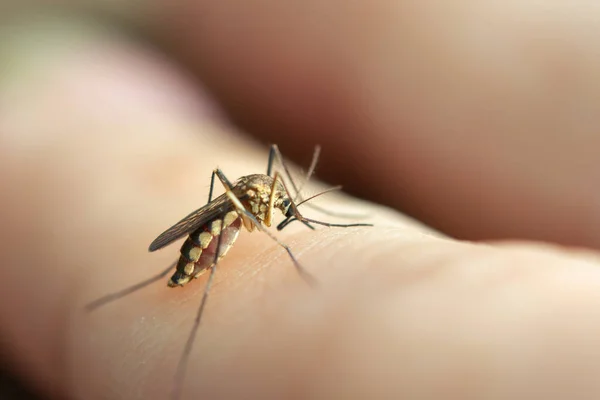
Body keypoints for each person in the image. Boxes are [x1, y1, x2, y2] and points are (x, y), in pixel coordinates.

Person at [2, 2, 600, 399]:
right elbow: (233, 195)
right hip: (199, 213)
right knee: (225, 211)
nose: (290, 213)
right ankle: (189, 286)